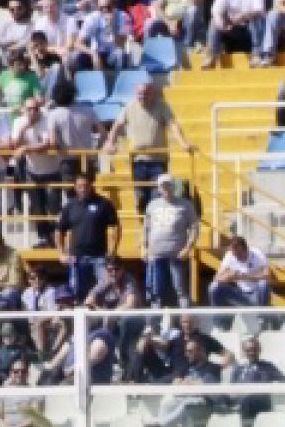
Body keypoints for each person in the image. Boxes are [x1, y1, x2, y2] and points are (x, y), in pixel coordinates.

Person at [99, 80, 193, 215]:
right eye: (139, 93)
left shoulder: (161, 106)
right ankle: (143, 220)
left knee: (157, 195)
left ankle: (154, 220)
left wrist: (183, 143)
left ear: (152, 93)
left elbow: (173, 125)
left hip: (158, 160)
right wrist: (110, 143)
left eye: (145, 93)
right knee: (140, 196)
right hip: (138, 160)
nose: (142, 96)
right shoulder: (129, 107)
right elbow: (117, 126)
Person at [55, 172, 120, 305]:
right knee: (77, 289)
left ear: (91, 185)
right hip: (77, 256)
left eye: (85, 185)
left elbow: (115, 227)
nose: (83, 189)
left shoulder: (104, 203)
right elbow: (59, 230)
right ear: (75, 187)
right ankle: (81, 309)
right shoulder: (69, 206)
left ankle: (102, 309)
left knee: (107, 285)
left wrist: (113, 250)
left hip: (99, 256)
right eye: (79, 186)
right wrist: (61, 253)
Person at [143, 175, 200, 308]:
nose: (166, 188)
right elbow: (146, 228)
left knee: (180, 289)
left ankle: (184, 315)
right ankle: (156, 318)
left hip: (177, 254)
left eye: (168, 185)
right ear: (159, 188)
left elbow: (194, 227)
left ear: (173, 186)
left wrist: (188, 248)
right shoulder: (152, 205)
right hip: (156, 254)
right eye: (163, 186)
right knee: (156, 290)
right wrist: (144, 247)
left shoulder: (186, 205)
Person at [208, 233, 273, 329]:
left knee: (263, 284)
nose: (237, 257)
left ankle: (262, 319)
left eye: (239, 254)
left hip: (256, 295)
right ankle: (220, 323)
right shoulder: (230, 255)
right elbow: (217, 278)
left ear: (246, 249)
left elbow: (267, 275)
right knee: (214, 287)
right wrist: (229, 277)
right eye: (234, 254)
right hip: (239, 294)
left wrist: (245, 276)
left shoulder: (257, 254)